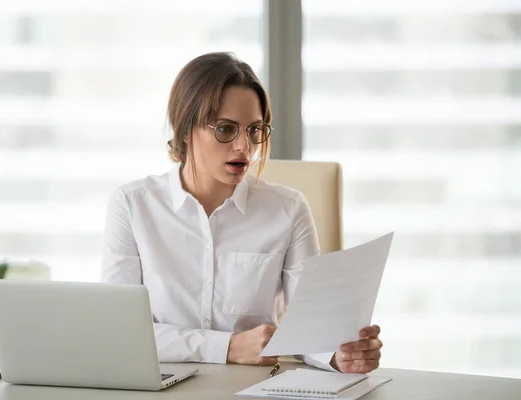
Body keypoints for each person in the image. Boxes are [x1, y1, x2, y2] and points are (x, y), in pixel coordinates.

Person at [101, 52, 383, 373]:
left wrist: (340, 354)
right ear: (184, 130)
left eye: (254, 130)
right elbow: (119, 332)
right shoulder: (132, 205)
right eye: (225, 129)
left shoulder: (288, 209)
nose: (243, 147)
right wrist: (228, 347)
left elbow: (310, 328)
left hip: (251, 389)